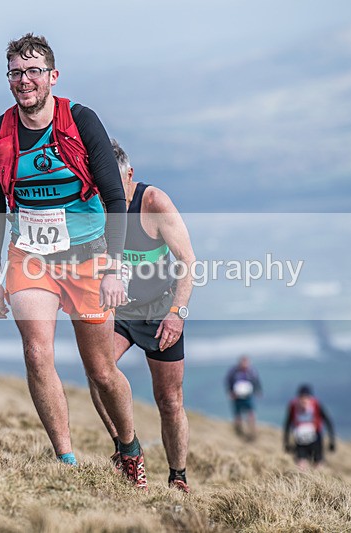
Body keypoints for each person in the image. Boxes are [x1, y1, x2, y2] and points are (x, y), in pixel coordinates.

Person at [0, 34, 146, 487]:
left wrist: (115, 267)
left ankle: (129, 448)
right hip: (30, 257)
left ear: (53, 76)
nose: (24, 80)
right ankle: (66, 462)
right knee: (37, 354)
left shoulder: (81, 121)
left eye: (33, 71)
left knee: (101, 371)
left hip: (88, 258)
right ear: (8, 79)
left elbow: (114, 197)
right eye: (16, 72)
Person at [88, 139, 196, 492]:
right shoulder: (96, 203)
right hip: (119, 311)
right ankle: (125, 449)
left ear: (130, 175)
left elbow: (188, 262)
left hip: (160, 311)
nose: (109, 195)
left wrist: (177, 314)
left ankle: (178, 476)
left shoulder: (153, 203)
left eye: (114, 185)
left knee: (169, 400)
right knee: (98, 374)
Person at [283, 384, 336, 469]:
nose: (304, 400)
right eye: (301, 397)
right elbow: (287, 424)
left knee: (318, 465)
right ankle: (302, 477)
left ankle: (318, 477)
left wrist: (332, 441)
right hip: (300, 440)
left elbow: (328, 422)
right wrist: (286, 442)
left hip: (315, 439)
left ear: (310, 398)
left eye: (306, 398)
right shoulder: (293, 407)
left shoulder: (316, 405)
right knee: (300, 465)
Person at [225, 355, 262, 440]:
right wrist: (230, 392)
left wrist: (258, 391)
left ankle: (252, 432)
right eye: (243, 362)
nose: (245, 364)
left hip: (248, 396)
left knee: (251, 413)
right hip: (237, 396)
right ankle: (238, 432)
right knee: (238, 415)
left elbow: (256, 381)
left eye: (246, 362)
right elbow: (228, 381)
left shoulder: (252, 371)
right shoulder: (234, 372)